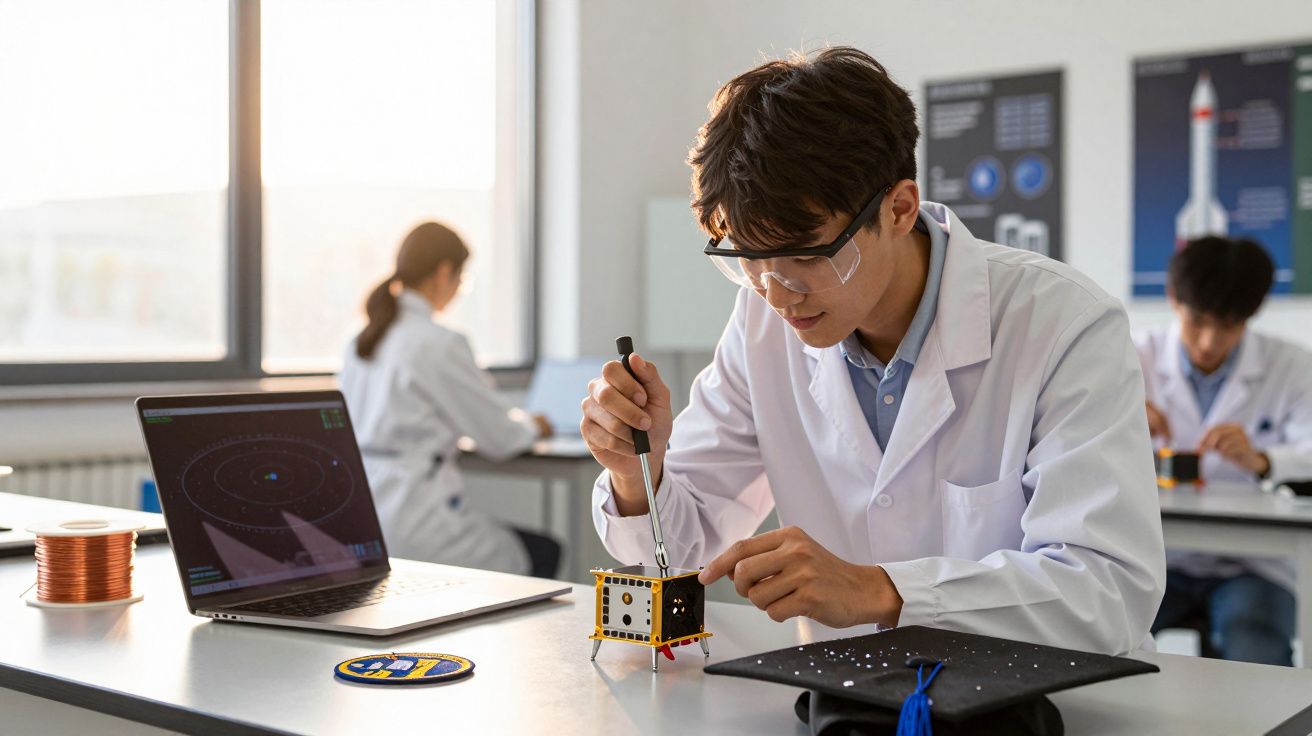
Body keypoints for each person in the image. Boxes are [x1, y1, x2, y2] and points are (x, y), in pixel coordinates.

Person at [581, 47, 1165, 654]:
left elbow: (1108, 593)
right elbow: (687, 546)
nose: (777, 292)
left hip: (1047, 700)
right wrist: (634, 474)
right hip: (851, 696)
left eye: (809, 254)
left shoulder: (1063, 322)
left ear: (899, 208)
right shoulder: (761, 322)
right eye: (749, 258)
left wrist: (882, 590)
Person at [340, 221, 560, 578]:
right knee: (544, 551)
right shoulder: (439, 343)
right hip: (416, 522)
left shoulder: (360, 339)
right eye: (461, 280)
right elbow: (501, 438)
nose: (458, 290)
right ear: (445, 271)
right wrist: (531, 424)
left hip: (362, 521)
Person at [1138, 236, 1312, 665]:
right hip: (1155, 559)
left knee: (1255, 651)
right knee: (1105, 648)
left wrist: (1265, 460)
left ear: (1252, 315)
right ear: (1173, 298)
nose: (1209, 341)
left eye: (1229, 325)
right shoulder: (1129, 357)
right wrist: (1119, 421)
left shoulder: (1291, 366)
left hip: (1252, 564)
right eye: (1198, 320)